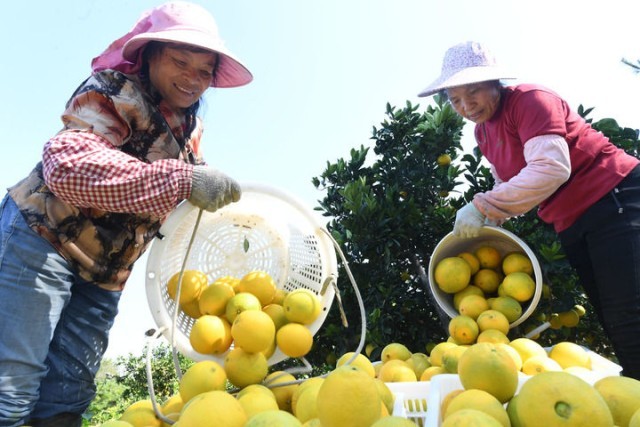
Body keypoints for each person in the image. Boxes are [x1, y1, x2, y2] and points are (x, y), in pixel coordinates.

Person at [0, 2, 253, 426]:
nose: (193, 79)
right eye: (180, 62)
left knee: (67, 398)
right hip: (44, 240)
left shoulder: (191, 132)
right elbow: (67, 166)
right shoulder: (113, 91)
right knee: (12, 389)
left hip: (106, 274)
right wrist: (181, 180)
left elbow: (176, 202)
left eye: (204, 71)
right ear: (150, 55)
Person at [417, 41, 640, 380]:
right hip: (571, 221)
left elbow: (550, 168)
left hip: (612, 196)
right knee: (612, 314)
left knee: (629, 312)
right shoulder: (483, 133)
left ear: (495, 82)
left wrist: (482, 206)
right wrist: (489, 218)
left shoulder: (530, 100)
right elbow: (508, 183)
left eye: (473, 91)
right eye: (455, 99)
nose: (466, 105)